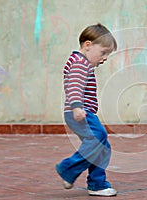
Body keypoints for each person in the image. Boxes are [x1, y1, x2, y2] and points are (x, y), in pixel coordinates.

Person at [55, 23, 118, 197]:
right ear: (88, 45)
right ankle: (68, 168)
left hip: (81, 112)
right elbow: (75, 86)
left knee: (102, 146)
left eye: (107, 54)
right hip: (80, 112)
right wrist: (76, 107)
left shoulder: (81, 62)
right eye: (103, 52)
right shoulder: (80, 63)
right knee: (99, 138)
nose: (104, 58)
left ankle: (97, 184)